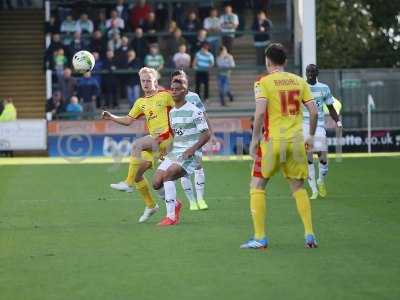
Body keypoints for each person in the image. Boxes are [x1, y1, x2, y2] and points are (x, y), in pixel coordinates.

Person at [240, 43, 319, 249]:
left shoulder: (263, 82)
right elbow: (314, 112)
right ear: (285, 61)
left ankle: (260, 237)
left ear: (267, 61)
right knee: (298, 188)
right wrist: (310, 136)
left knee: (257, 186)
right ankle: (309, 234)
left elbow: (259, 114)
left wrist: (254, 140)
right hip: (297, 142)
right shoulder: (300, 81)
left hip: (273, 142)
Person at [103, 67, 175, 223]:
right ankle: (151, 205)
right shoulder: (140, 102)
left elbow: (182, 108)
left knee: (136, 144)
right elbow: (128, 121)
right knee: (138, 174)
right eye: (143, 81)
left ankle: (127, 184)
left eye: (149, 80)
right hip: (153, 142)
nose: (146, 83)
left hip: (166, 138)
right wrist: (111, 117)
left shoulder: (166, 96)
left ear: (155, 81)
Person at [152, 78, 211, 225]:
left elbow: (206, 134)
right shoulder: (172, 112)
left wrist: (193, 149)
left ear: (185, 91)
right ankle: (175, 204)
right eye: (172, 88)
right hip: (176, 152)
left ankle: (171, 216)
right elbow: (177, 135)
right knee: (156, 183)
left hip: (191, 154)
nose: (173, 91)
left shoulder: (195, 111)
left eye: (177, 89)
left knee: (168, 175)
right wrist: (167, 149)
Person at [171, 70, 210, 211]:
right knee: (183, 170)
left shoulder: (194, 97)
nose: (179, 82)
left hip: (195, 136)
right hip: (180, 139)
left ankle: (200, 199)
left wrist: (211, 132)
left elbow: (203, 115)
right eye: (176, 80)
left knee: (198, 165)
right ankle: (192, 201)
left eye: (182, 80)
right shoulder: (171, 98)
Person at [303, 64, 342, 199]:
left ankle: (320, 180)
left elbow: (330, 107)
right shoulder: (301, 87)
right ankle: (313, 189)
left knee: (322, 156)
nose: (310, 74)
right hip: (304, 125)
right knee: (307, 153)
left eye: (313, 71)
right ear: (306, 72)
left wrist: (338, 121)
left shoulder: (324, 88)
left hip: (319, 125)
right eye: (308, 71)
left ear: (317, 73)